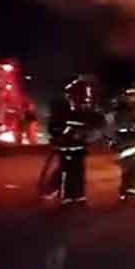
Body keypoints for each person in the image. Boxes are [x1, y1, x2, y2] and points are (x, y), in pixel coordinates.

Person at [44, 75, 101, 207]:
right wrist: (67, 132)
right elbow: (55, 127)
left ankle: (79, 197)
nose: (85, 98)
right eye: (82, 95)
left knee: (79, 172)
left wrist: (88, 133)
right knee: (66, 173)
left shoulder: (85, 110)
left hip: (79, 148)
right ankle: (67, 198)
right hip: (66, 147)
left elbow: (93, 125)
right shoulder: (63, 108)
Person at [106, 81, 135, 207]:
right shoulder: (123, 113)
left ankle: (127, 195)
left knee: (132, 170)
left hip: (131, 147)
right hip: (126, 147)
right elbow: (117, 128)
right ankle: (131, 195)